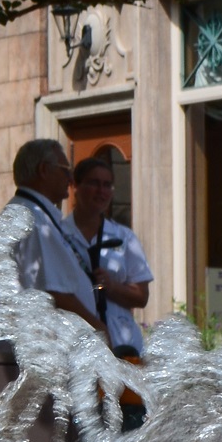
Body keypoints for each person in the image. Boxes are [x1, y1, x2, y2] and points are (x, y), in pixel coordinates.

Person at [5, 139, 104, 333]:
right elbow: (57, 294)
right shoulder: (33, 219)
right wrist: (98, 329)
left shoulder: (31, 213)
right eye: (65, 170)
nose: (70, 179)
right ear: (44, 170)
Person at [69, 152, 152, 359]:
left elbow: (142, 297)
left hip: (121, 343)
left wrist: (112, 286)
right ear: (75, 187)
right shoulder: (59, 235)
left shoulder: (124, 237)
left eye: (107, 185)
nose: (101, 191)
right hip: (74, 341)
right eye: (94, 183)